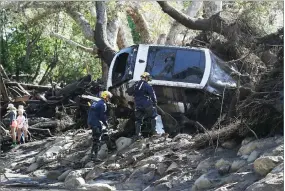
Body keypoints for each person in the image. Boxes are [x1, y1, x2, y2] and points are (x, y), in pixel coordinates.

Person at [87, 91, 112, 161]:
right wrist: (106, 124)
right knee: (97, 140)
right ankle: (95, 157)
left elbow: (90, 112)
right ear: (106, 97)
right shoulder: (103, 105)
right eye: (108, 98)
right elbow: (102, 117)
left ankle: (92, 156)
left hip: (91, 121)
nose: (109, 99)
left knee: (95, 139)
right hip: (96, 123)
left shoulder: (95, 102)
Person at [133, 72, 158, 140]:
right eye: (148, 77)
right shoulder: (147, 86)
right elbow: (153, 95)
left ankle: (138, 135)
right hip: (146, 104)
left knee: (138, 120)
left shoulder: (136, 85)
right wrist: (155, 102)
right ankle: (154, 132)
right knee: (154, 116)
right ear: (146, 77)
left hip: (137, 105)